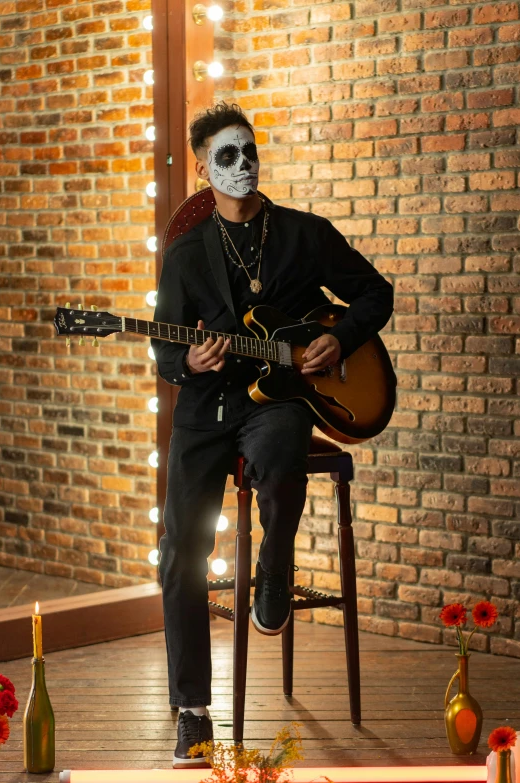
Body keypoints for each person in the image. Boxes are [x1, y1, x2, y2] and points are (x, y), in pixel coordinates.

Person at [151, 102, 394, 768]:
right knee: (179, 548)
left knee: (284, 447)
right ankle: (194, 712)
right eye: (227, 154)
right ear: (203, 168)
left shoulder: (302, 234)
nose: (244, 162)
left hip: (279, 401)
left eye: (250, 149)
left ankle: (274, 564)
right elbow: (164, 351)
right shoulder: (183, 257)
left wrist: (337, 337)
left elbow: (376, 292)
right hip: (208, 406)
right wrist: (186, 361)